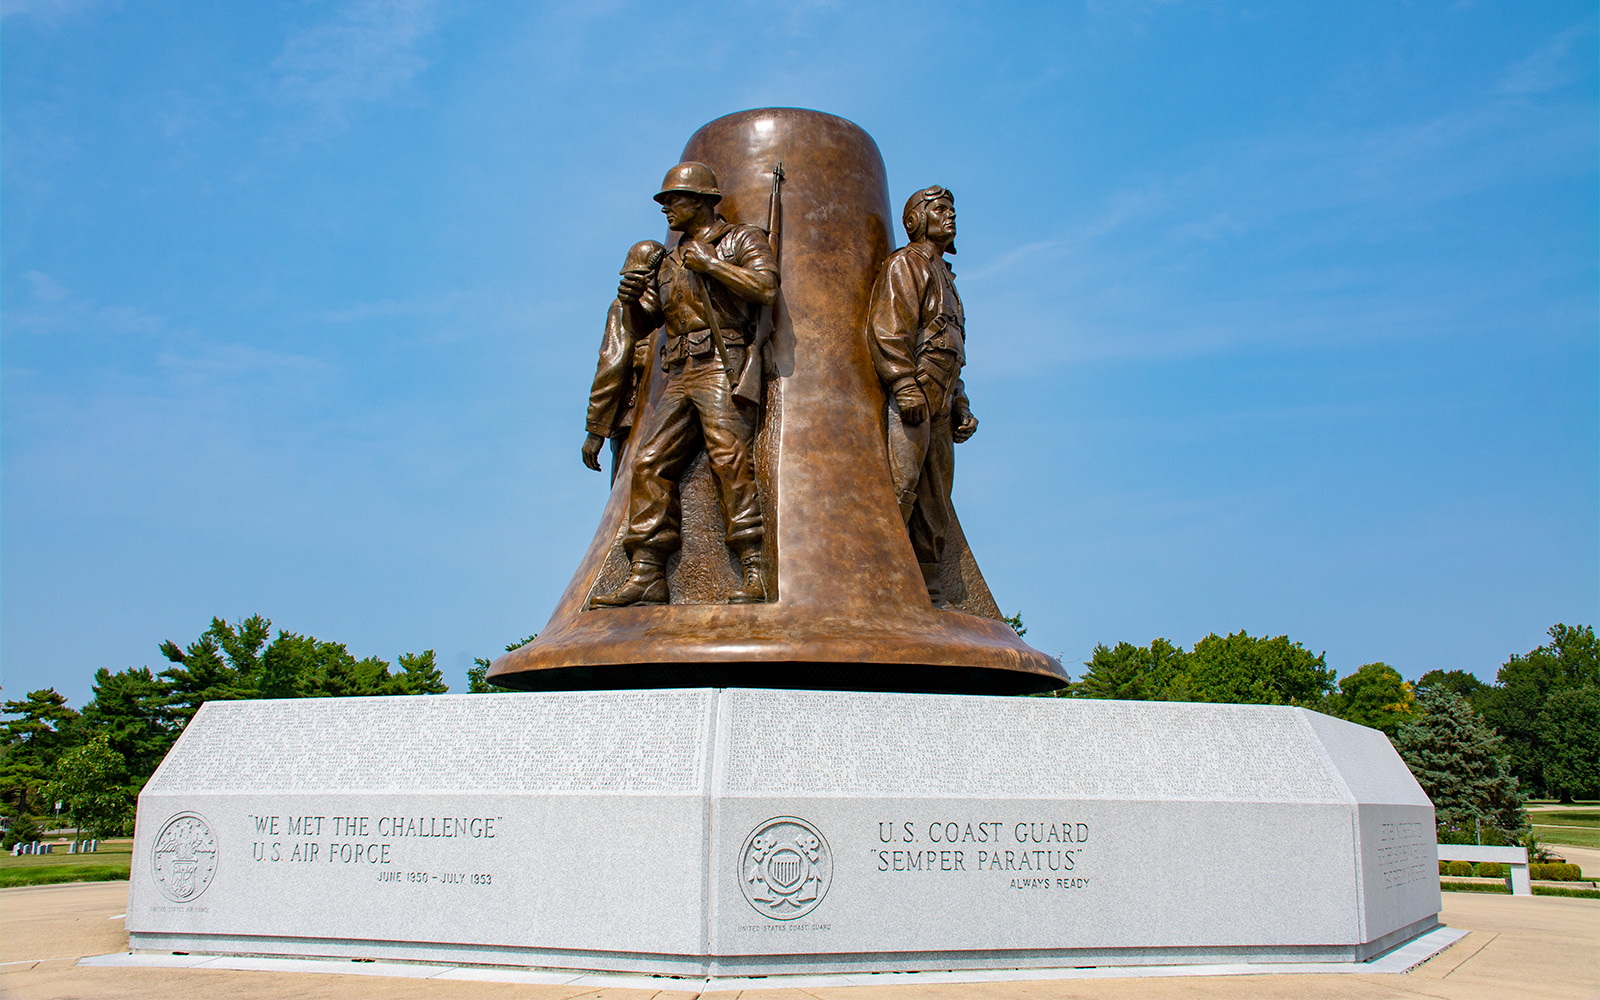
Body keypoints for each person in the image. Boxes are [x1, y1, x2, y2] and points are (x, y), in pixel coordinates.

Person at [591, 162, 778, 607]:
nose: (666, 209)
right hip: (680, 371)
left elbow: (766, 287)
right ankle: (647, 572)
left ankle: (755, 568)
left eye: (673, 200)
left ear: (701, 201)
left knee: (729, 461)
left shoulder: (741, 239)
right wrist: (630, 300)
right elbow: (645, 322)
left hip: (721, 364)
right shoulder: (671, 260)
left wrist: (713, 265)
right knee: (648, 463)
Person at [866, 185, 979, 607]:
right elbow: (888, 329)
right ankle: (883, 579)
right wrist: (903, 383)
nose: (951, 216)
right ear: (916, 220)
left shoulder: (947, 278)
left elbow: (952, 351)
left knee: (936, 500)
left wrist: (961, 404)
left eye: (953, 209)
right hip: (914, 397)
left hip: (943, 403)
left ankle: (929, 587)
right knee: (901, 488)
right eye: (941, 209)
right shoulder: (906, 265)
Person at [582, 240, 665, 484]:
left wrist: (595, 431)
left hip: (633, 415)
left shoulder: (624, 307)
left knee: (626, 491)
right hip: (665, 409)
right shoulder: (674, 303)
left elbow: (611, 366)